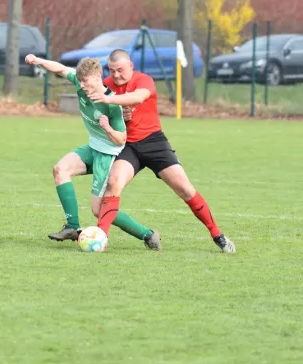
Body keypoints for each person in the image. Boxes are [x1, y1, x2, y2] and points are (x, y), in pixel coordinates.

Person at [89, 49, 236, 253]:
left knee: (184, 188)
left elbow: (139, 97)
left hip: (154, 142)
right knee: (113, 183)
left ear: (131, 66)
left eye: (120, 70)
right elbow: (98, 114)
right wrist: (116, 116)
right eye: (112, 71)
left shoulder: (144, 80)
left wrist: (110, 101)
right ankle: (101, 237)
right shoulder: (106, 85)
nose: (115, 75)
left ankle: (217, 234)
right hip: (127, 146)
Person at [24, 54, 162, 250]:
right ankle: (72, 227)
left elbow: (122, 139)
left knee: (99, 210)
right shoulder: (81, 83)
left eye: (86, 83)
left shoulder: (112, 103)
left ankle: (148, 234)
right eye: (80, 82)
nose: (83, 87)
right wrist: (38, 60)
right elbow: (61, 69)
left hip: (107, 155)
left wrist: (107, 128)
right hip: (92, 147)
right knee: (60, 170)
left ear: (98, 77)